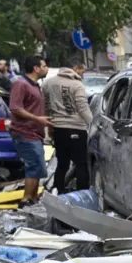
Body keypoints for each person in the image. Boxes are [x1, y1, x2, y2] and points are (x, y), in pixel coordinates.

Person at [8, 56, 53, 206]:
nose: (46, 69)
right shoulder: (21, 84)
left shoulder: (35, 85)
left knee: (38, 167)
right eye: (44, 66)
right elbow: (15, 108)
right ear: (36, 68)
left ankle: (33, 199)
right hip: (25, 132)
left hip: (35, 133)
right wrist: (37, 119)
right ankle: (26, 199)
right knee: (34, 165)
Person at [44, 62, 93, 193]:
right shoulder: (77, 84)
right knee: (81, 163)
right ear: (75, 68)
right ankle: (82, 193)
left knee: (62, 163)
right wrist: (92, 123)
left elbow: (46, 106)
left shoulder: (48, 83)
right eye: (83, 71)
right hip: (77, 128)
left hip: (58, 129)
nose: (83, 74)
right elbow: (82, 107)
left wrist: (49, 127)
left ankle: (58, 191)